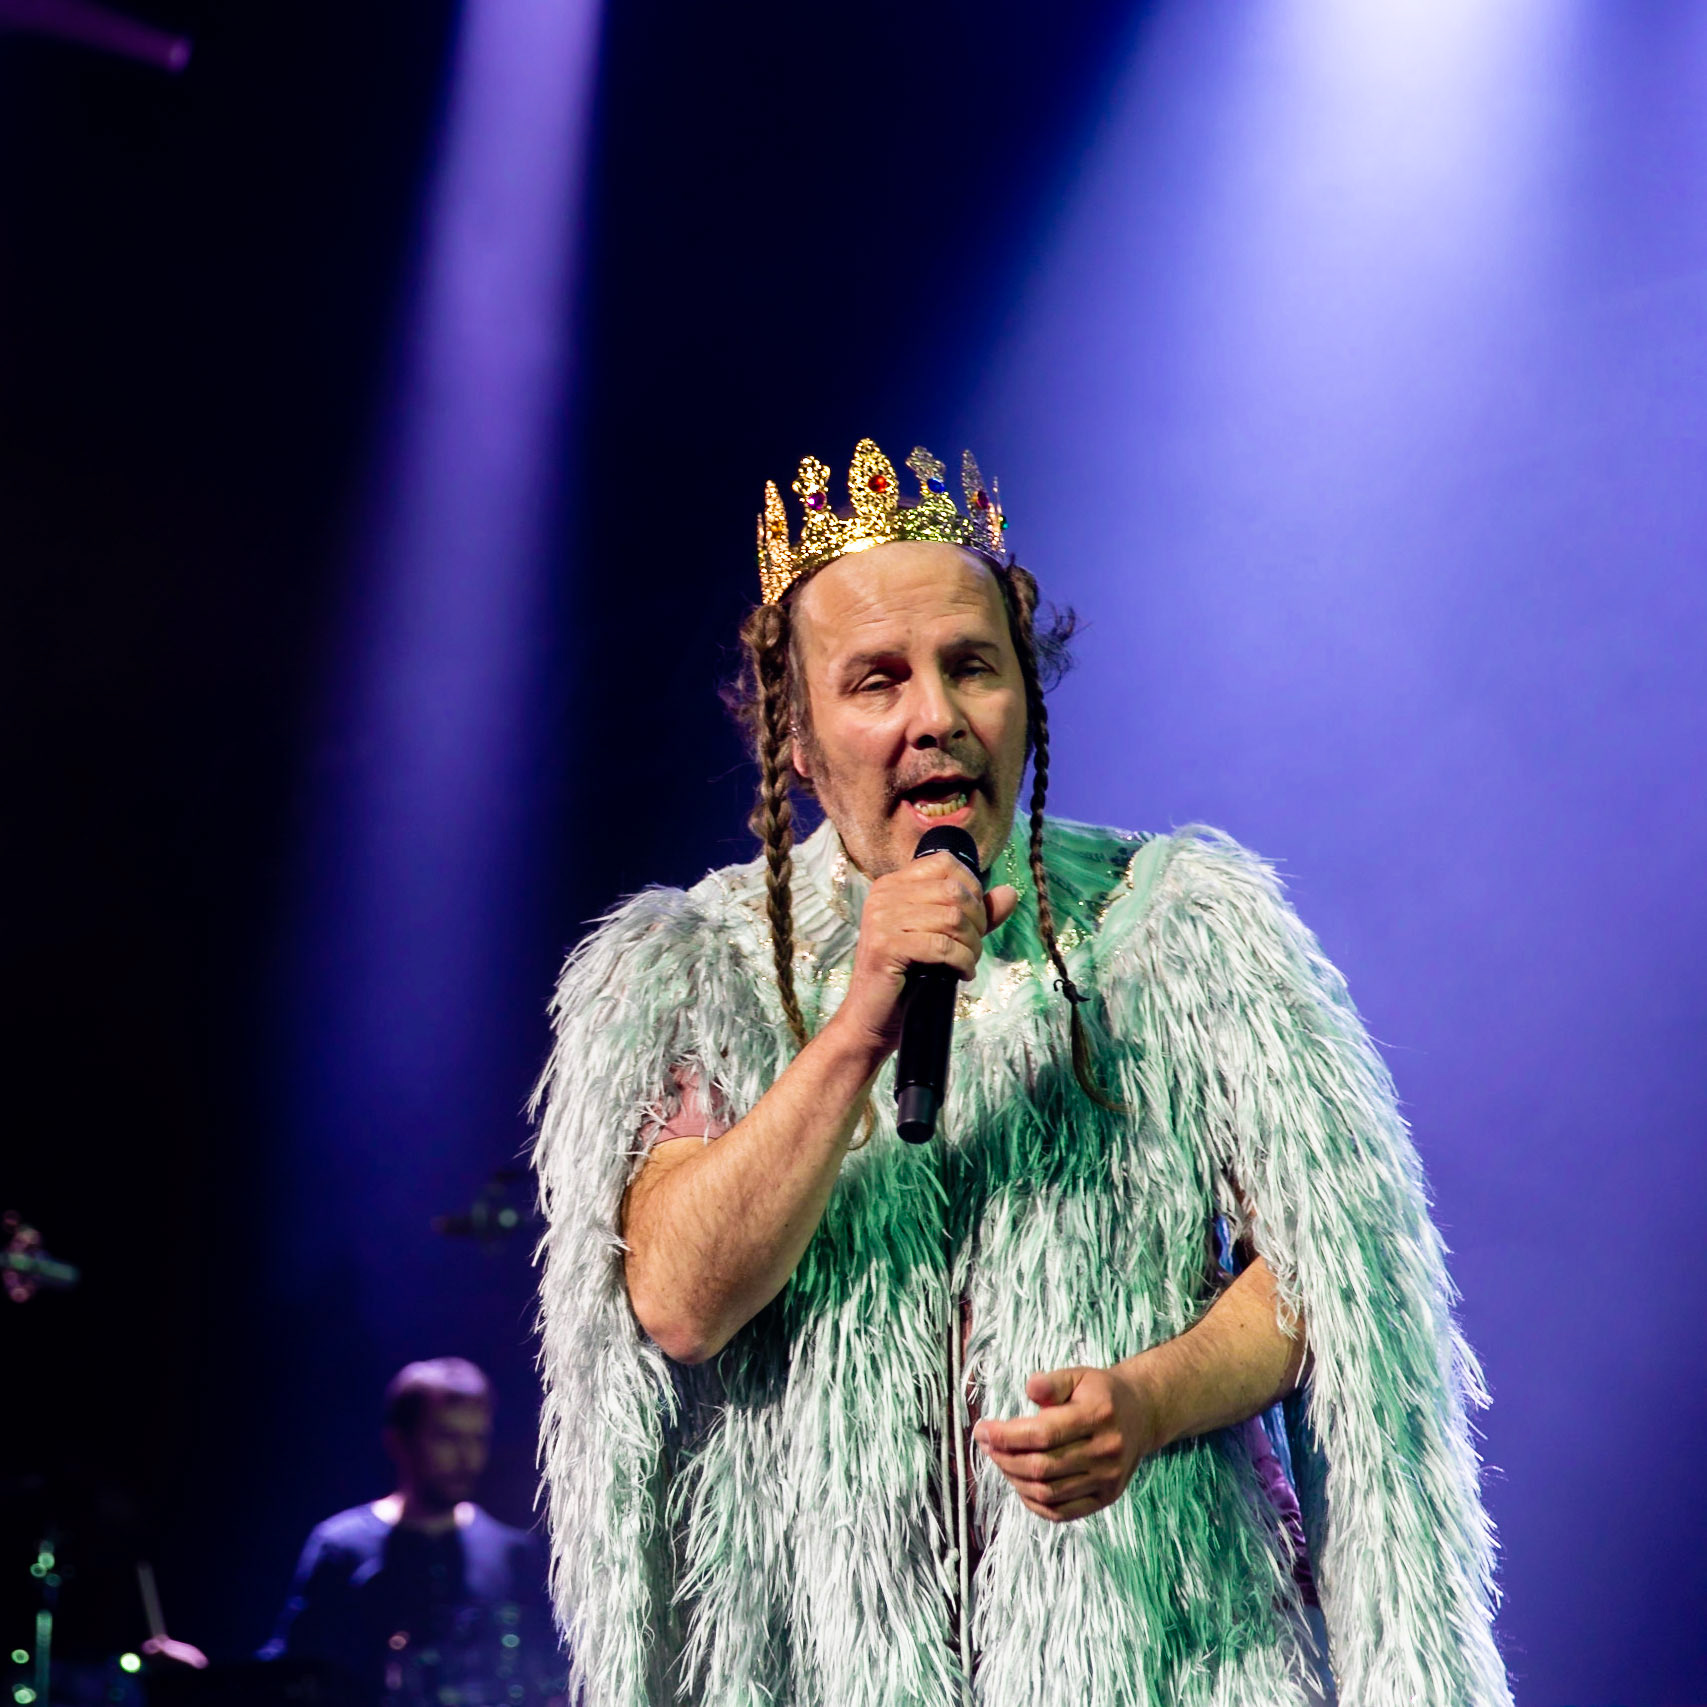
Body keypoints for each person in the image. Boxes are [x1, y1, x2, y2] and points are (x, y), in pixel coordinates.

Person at [531, 439, 1510, 1707]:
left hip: (1169, 1661)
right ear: (795, 732)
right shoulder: (691, 969)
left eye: (971, 667)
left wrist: (1149, 1402)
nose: (934, 716)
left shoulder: (1179, 931)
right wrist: (855, 1028)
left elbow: (1336, 1274)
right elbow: (675, 1298)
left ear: (1024, 699)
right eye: (876, 681)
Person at [263, 1358, 561, 1707]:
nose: (466, 1456)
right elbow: (291, 1673)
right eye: (447, 1437)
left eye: (477, 1437)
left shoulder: (513, 1553)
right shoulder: (341, 1547)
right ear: (399, 1441)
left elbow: (548, 1676)